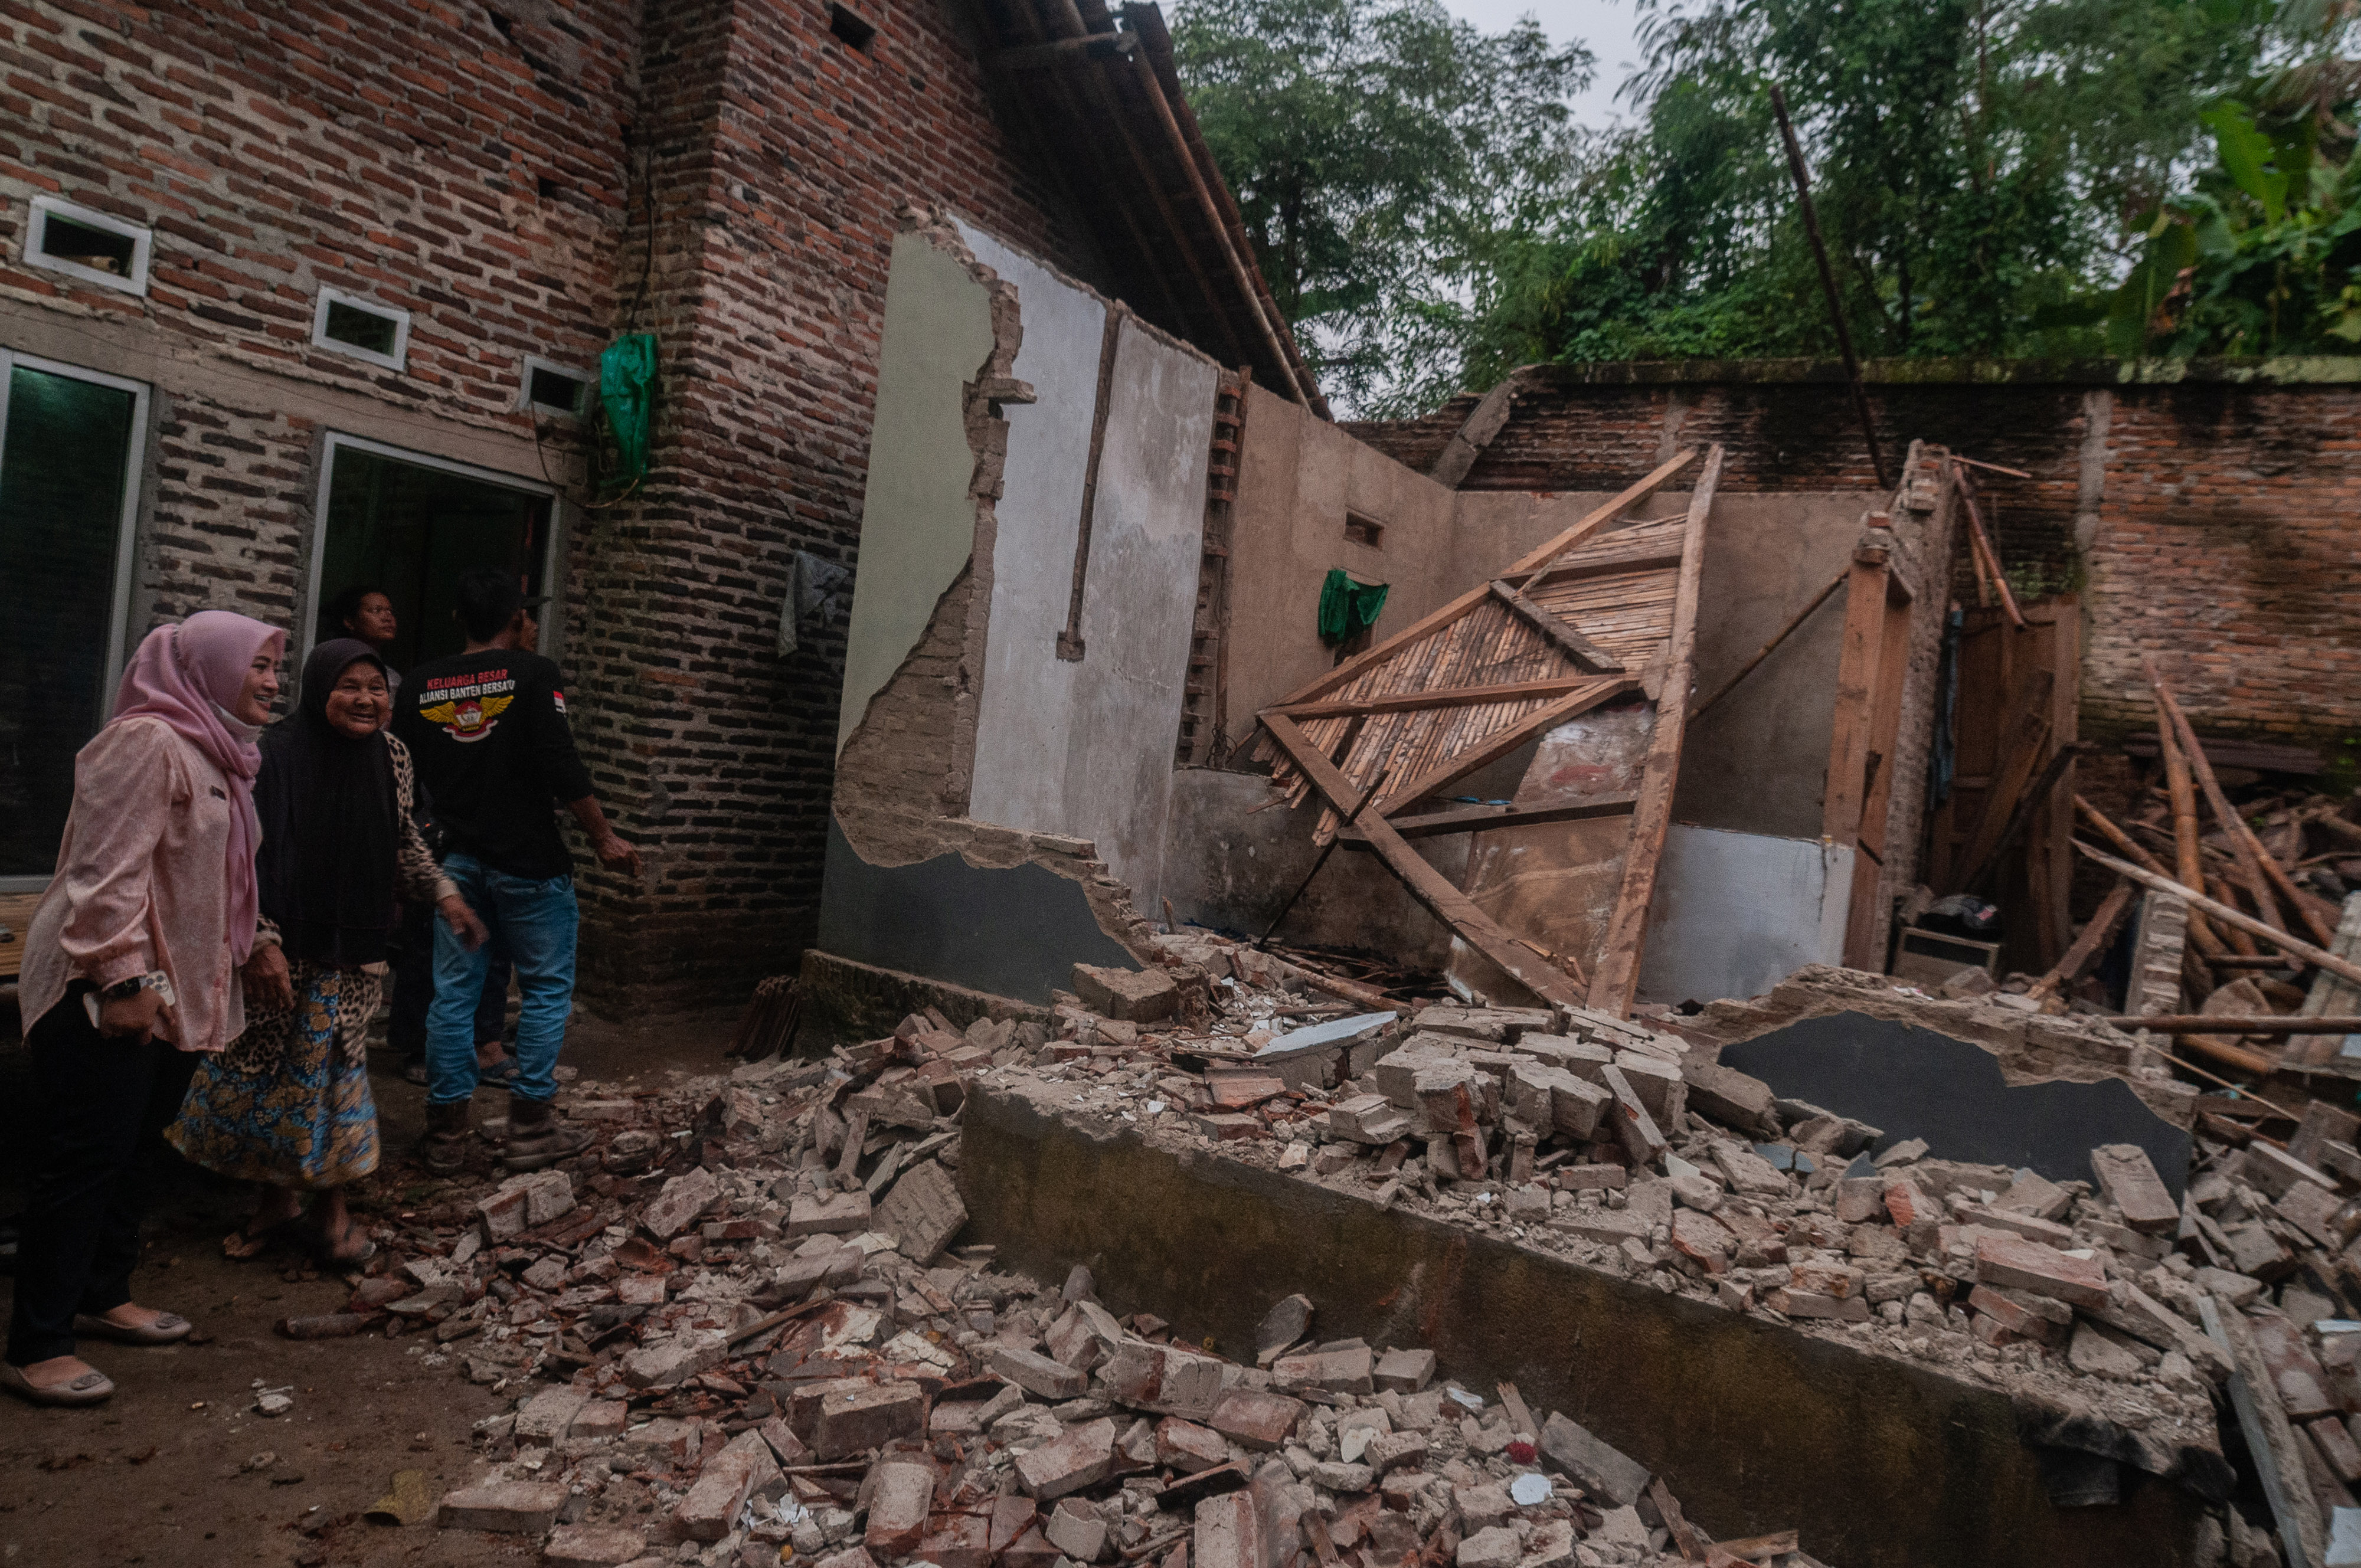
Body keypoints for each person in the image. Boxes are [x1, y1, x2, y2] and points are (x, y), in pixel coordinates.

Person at [5, 611, 284, 1407]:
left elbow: (220, 880)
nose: (272, 682)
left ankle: (103, 1293)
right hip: (109, 986)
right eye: (258, 664)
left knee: (136, 1151)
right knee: (85, 1161)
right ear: (207, 668)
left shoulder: (220, 754)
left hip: (176, 991)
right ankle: (36, 1343)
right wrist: (123, 979)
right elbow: (105, 872)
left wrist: (254, 941)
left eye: (276, 667)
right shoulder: (146, 741)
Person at [166, 641, 487, 1262]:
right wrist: (261, 938)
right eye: (350, 686)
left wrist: (445, 892)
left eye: (376, 687)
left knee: (333, 1075)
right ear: (319, 690)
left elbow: (403, 839)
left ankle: (326, 1214)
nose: (366, 699)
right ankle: (283, 1204)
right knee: (277, 1078)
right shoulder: (274, 755)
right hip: (282, 951)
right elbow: (242, 859)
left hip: (355, 947)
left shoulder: (393, 755)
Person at [393, 568, 639, 1174]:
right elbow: (560, 761)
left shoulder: (421, 682)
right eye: (528, 615)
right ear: (515, 619)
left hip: (456, 864)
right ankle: (531, 1127)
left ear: (460, 619)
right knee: (546, 989)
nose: (531, 625)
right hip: (530, 863)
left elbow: (401, 769)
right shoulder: (534, 673)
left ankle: (446, 1135)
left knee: (454, 994)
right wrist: (603, 836)